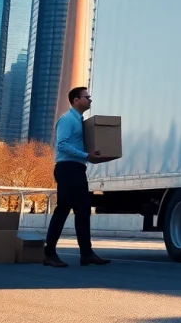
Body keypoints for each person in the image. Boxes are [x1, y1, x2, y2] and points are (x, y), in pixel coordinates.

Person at [43, 86, 111, 267]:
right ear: (75, 100)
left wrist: (93, 157)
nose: (90, 100)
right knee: (63, 210)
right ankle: (49, 254)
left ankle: (86, 253)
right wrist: (86, 156)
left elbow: (79, 149)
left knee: (83, 211)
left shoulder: (81, 122)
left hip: (77, 169)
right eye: (86, 97)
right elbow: (62, 145)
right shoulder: (67, 120)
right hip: (67, 169)